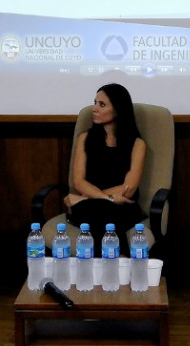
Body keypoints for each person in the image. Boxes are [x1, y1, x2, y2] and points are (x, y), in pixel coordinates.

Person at [63, 83, 146, 253]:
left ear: (118, 109)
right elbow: (78, 182)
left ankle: (99, 272)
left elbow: (128, 189)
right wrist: (107, 198)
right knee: (106, 214)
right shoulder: (85, 138)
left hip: (122, 206)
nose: (94, 109)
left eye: (102, 104)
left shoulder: (138, 144)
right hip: (93, 205)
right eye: (95, 102)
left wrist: (87, 198)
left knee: (107, 215)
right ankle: (119, 267)